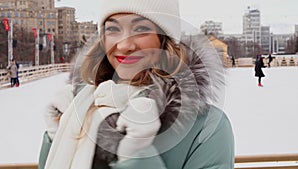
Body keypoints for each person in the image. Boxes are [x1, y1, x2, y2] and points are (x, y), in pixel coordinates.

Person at [38, 0, 234, 169]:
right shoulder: (81, 109)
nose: (124, 45)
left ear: (165, 39)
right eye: (113, 29)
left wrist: (137, 154)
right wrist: (55, 136)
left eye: (141, 29)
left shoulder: (207, 128)